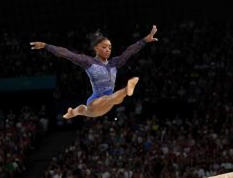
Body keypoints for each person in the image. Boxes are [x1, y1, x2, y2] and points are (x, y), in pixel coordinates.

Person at [30, 25, 158, 119]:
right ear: (96, 49)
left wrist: (145, 40)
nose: (108, 50)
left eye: (110, 47)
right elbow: (67, 54)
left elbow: (129, 51)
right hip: (95, 101)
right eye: (104, 47)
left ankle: (127, 89)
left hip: (108, 102)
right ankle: (74, 112)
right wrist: (46, 46)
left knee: (106, 100)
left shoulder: (114, 63)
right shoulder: (88, 62)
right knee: (91, 107)